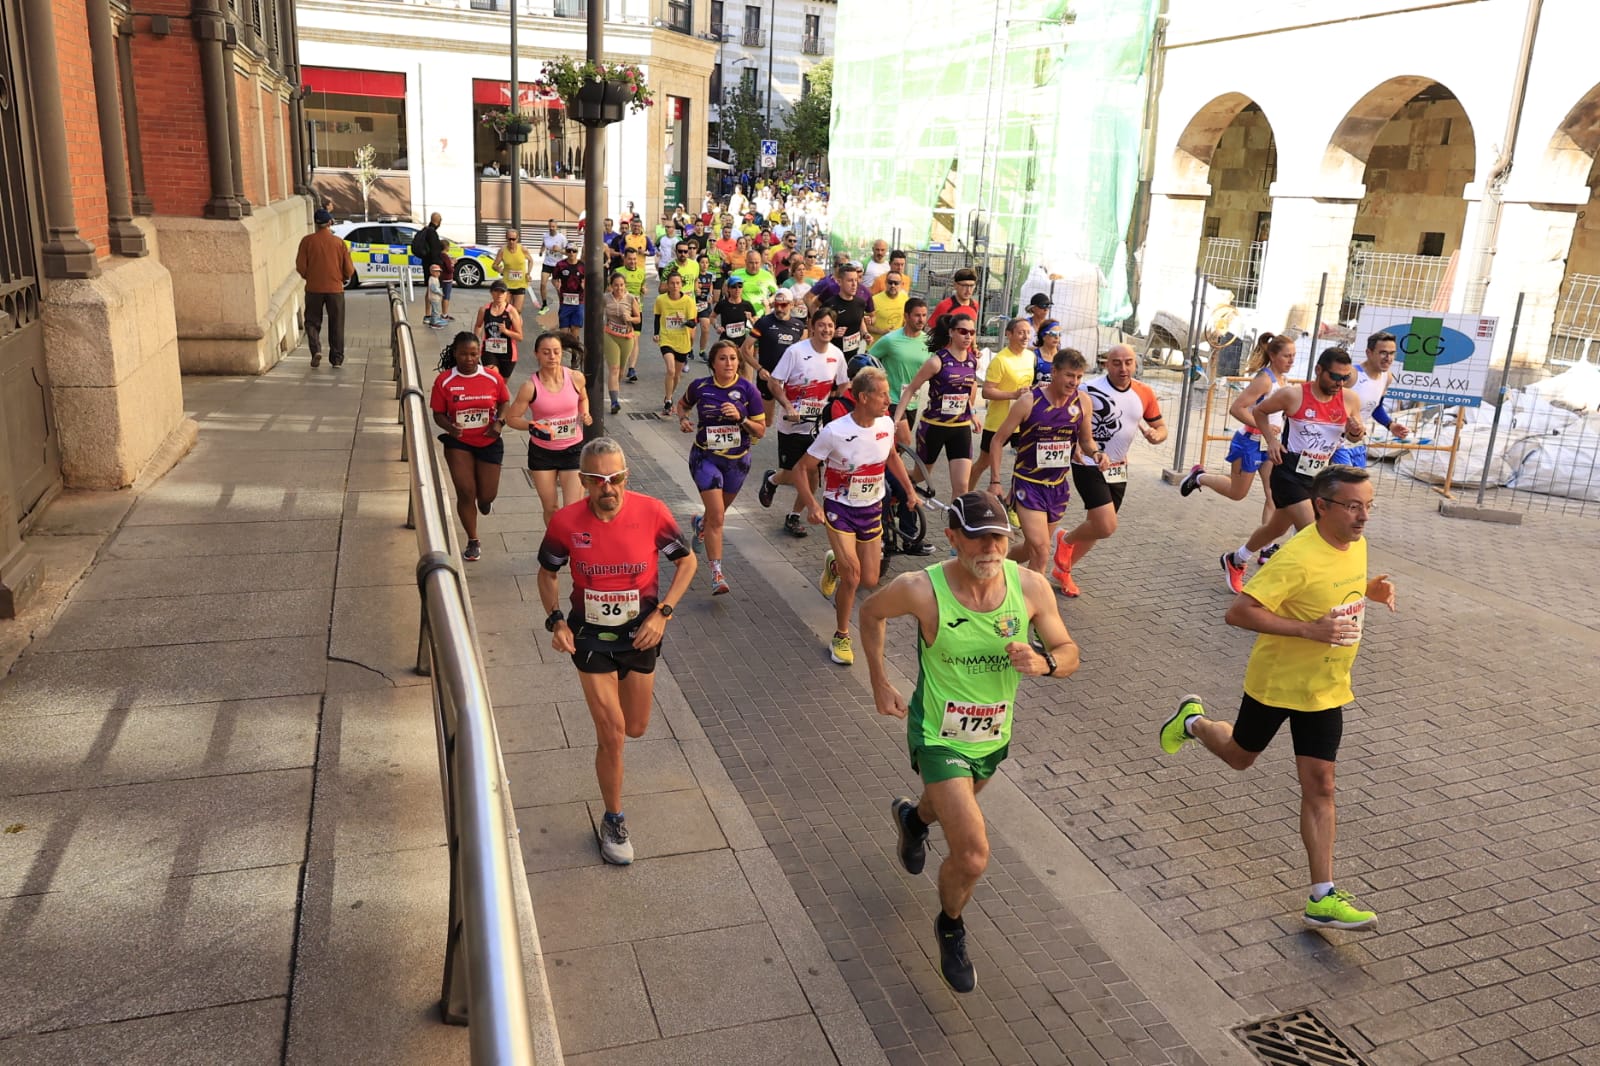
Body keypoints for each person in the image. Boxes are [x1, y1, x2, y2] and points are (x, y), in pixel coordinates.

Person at [1159, 465, 1397, 931]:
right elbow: (1239, 612)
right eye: (1353, 506)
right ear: (1322, 507)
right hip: (1277, 684)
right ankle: (1193, 721)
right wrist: (1310, 630)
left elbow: (1335, 588)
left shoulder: (1356, 544)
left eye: (1369, 505)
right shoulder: (1296, 557)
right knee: (1239, 757)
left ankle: (1322, 896)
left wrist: (1370, 589)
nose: (1363, 516)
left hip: (1326, 688)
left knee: (1322, 785)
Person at [861, 491, 1080, 992]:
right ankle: (950, 925)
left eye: (999, 537)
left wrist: (1046, 663)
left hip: (992, 735)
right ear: (952, 538)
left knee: (944, 809)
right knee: (974, 853)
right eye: (978, 538)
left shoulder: (1029, 588)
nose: (990, 549)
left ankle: (912, 821)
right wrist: (879, 680)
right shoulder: (920, 588)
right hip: (938, 733)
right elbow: (871, 613)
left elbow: (1069, 651)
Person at [537, 438, 697, 865]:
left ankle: (613, 787)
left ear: (627, 475)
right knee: (611, 734)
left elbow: (687, 562)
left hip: (640, 633)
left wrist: (662, 613)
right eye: (598, 480)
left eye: (617, 477)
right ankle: (613, 818)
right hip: (589, 635)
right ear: (585, 482)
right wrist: (555, 620)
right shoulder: (566, 522)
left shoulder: (652, 512)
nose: (609, 488)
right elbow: (547, 575)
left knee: (636, 728)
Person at [792, 366, 919, 665]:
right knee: (854, 576)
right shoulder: (835, 432)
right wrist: (812, 505)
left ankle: (833, 565)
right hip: (839, 510)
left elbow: (891, 458)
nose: (888, 400)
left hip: (872, 508)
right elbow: (801, 469)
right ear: (863, 397)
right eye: (883, 394)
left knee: (870, 578)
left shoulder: (886, 424)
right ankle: (841, 635)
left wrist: (909, 491)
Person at [1220, 347, 1365, 593]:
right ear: (1319, 370)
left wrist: (1355, 431)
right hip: (1288, 473)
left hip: (1319, 477)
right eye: (1334, 376)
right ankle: (1289, 591)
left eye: (1344, 378)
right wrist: (1272, 441)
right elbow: (1260, 411)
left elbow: (1353, 436)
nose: (1339, 383)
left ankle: (1236, 559)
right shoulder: (1294, 395)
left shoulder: (1349, 399)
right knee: (1313, 533)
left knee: (1275, 528)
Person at [1051, 345, 1168, 597]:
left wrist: (1155, 435)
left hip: (1118, 467)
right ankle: (1066, 540)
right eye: (1116, 362)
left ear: (1135, 364)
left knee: (1097, 527)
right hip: (1088, 463)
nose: (1123, 368)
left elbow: (1160, 427)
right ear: (1106, 364)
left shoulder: (1144, 392)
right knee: (1105, 525)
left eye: (1128, 362)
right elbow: (1062, 416)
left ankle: (1064, 570)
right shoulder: (1087, 388)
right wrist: (1071, 445)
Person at [983, 348, 1099, 575]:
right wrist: (995, 481)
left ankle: (991, 561)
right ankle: (1034, 607)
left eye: (1078, 377)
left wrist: (1095, 454)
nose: (1073, 382)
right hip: (1028, 485)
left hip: (1057, 488)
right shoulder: (1029, 401)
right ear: (1054, 372)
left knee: (1030, 550)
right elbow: (997, 441)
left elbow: (1086, 440)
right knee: (1042, 550)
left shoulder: (1083, 401)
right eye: (1069, 375)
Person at [1179, 333, 1296, 551]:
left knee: (1274, 495)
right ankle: (1200, 477)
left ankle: (1266, 546)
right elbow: (1237, 408)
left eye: (1294, 356)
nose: (1291, 360)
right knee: (1237, 493)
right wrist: (1264, 427)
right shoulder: (1264, 380)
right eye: (1287, 356)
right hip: (1249, 442)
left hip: (1270, 445)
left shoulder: (1284, 380)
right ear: (1272, 355)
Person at [677, 340, 766, 596]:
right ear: (713, 363)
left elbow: (761, 430)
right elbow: (682, 404)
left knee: (716, 514)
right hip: (705, 458)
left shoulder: (748, 391)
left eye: (733, 358)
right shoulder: (700, 387)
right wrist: (683, 419)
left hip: (738, 462)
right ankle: (717, 573)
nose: (729, 363)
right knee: (718, 517)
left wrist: (741, 418)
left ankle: (700, 524)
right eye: (723, 359)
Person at [756, 307, 848, 539]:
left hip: (818, 427)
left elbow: (844, 385)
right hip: (791, 426)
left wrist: (836, 410)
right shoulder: (796, 352)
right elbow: (774, 383)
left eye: (830, 325)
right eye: (821, 325)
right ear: (812, 326)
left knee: (813, 473)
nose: (826, 330)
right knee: (790, 473)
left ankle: (794, 515)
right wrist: (788, 407)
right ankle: (772, 479)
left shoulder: (837, 354)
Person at [430, 332, 510, 562]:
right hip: (459, 442)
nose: (469, 359)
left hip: (489, 440)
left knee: (486, 495)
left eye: (474, 354)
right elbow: (437, 414)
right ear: (455, 354)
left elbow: (504, 401)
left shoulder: (493, 378)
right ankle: (473, 539)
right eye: (463, 354)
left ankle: (485, 503)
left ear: (479, 354)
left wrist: (499, 422)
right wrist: (450, 427)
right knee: (466, 492)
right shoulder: (444, 380)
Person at [505, 332, 593, 528]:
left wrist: (584, 413)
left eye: (556, 352)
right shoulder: (530, 387)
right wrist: (532, 425)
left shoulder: (576, 378)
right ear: (537, 354)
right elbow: (511, 418)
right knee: (551, 508)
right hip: (543, 453)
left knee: (573, 508)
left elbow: (583, 398)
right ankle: (556, 546)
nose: (552, 357)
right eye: (546, 353)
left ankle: (573, 551)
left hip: (573, 449)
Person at [893, 314, 980, 503]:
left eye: (971, 332)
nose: (968, 336)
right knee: (919, 477)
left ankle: (956, 529)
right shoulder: (936, 362)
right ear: (951, 332)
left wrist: (972, 413)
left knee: (962, 487)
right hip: (934, 427)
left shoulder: (973, 361)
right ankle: (894, 482)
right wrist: (897, 419)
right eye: (963, 331)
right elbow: (910, 390)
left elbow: (964, 392)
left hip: (960, 427)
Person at [968, 317, 1037, 492]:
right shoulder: (1000, 360)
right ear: (1009, 334)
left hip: (1022, 422)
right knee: (984, 463)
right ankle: (963, 496)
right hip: (999, 422)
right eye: (1021, 332)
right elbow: (987, 391)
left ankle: (1015, 500)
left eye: (1028, 332)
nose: (1025, 337)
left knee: (1025, 463)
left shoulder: (1030, 356)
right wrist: (1013, 394)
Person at [1332, 332, 1411, 467]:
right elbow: (1326, 402)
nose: (1388, 358)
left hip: (1357, 442)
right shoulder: (1352, 375)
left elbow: (1375, 407)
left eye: (1392, 353)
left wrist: (1390, 425)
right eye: (1383, 353)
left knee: (1358, 485)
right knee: (1347, 485)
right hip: (1336, 442)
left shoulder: (1387, 377)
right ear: (1369, 353)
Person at [296, 207, 355, 367]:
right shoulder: (339, 243)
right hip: (335, 289)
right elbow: (349, 269)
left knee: (312, 321)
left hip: (314, 288)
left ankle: (316, 350)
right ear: (330, 223)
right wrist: (342, 278)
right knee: (336, 323)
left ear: (316, 224)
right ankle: (336, 358)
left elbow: (301, 266)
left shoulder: (307, 241)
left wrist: (311, 276)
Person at [874, 298, 930, 437]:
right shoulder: (890, 340)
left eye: (924, 315)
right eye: (917, 315)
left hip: (913, 402)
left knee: (897, 447)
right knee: (905, 440)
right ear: (906, 316)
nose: (921, 320)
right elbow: (868, 360)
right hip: (891, 400)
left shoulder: (928, 341)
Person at [750, 288, 806, 421]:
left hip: (790, 379)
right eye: (776, 305)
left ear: (792, 305)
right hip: (768, 377)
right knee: (767, 421)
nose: (779, 309)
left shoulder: (799, 325)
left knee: (792, 417)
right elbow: (745, 349)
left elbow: (804, 354)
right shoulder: (764, 323)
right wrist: (759, 369)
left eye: (784, 305)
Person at [653, 269, 698, 418]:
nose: (675, 286)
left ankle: (669, 396)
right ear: (667, 285)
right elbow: (657, 317)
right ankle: (669, 400)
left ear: (682, 285)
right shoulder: (661, 300)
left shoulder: (688, 302)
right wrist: (656, 333)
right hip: (666, 338)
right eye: (672, 283)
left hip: (682, 341)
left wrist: (685, 321)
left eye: (677, 283)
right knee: (671, 370)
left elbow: (693, 322)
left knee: (677, 374)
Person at [601, 271, 642, 415]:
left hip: (626, 337)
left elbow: (638, 319)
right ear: (611, 286)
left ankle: (615, 389)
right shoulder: (605, 298)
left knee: (621, 371)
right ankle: (614, 402)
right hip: (610, 335)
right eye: (616, 286)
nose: (619, 288)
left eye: (622, 285)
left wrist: (630, 319)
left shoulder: (631, 298)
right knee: (614, 368)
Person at [711, 276, 757, 388]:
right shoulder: (723, 304)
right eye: (734, 287)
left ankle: (747, 395)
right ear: (729, 289)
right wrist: (717, 326)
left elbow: (757, 322)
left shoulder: (747, 305)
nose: (737, 289)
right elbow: (712, 317)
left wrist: (751, 319)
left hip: (742, 343)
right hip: (726, 343)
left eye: (740, 286)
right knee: (727, 373)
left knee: (746, 373)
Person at [475, 279, 524, 382]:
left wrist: (506, 331)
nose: (499, 294)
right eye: (496, 291)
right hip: (489, 350)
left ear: (507, 294)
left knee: (502, 384)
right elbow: (478, 326)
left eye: (502, 292)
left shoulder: (511, 311)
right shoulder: (484, 310)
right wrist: (475, 342)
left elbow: (519, 337)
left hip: (508, 353)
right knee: (492, 377)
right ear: (491, 293)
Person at [616, 247, 649, 384]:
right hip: (621, 311)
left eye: (635, 259)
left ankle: (632, 368)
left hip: (637, 311)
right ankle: (619, 366)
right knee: (623, 340)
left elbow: (644, 287)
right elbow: (610, 290)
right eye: (630, 259)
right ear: (625, 259)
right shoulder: (618, 272)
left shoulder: (642, 273)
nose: (632, 261)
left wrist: (644, 290)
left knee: (635, 339)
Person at [727, 248, 780, 313]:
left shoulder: (767, 275)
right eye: (751, 263)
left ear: (760, 262)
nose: (754, 266)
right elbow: (726, 290)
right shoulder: (736, 274)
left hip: (760, 314)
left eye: (757, 263)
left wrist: (769, 300)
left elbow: (777, 292)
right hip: (740, 313)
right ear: (745, 262)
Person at [492, 229, 532, 314]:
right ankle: (507, 326)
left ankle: (517, 327)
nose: (511, 241)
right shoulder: (502, 250)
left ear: (517, 239)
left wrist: (528, 273)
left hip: (520, 284)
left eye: (513, 239)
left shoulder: (523, 249)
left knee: (517, 311)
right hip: (507, 285)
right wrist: (499, 269)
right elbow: (494, 265)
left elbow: (531, 261)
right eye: (509, 239)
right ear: (506, 238)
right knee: (506, 310)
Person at [867, 271, 909, 347]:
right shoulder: (874, 300)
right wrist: (882, 331)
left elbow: (906, 322)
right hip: (877, 346)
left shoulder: (905, 299)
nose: (893, 285)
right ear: (885, 283)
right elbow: (865, 325)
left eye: (896, 283)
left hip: (896, 346)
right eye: (890, 282)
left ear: (901, 284)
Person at [552, 244, 586, 330]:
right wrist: (557, 286)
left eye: (574, 251)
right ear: (566, 252)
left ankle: (575, 342)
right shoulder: (560, 265)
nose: (571, 253)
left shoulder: (582, 266)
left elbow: (587, 281)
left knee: (574, 330)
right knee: (564, 332)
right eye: (569, 250)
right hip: (565, 302)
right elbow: (554, 279)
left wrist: (584, 286)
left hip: (579, 302)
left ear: (577, 252)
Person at [538, 219, 569, 311]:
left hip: (557, 265)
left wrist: (559, 250)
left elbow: (568, 252)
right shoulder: (545, 236)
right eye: (550, 226)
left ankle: (563, 305)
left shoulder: (562, 238)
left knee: (558, 287)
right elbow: (543, 244)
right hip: (547, 263)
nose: (551, 228)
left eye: (553, 227)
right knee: (543, 284)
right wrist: (541, 251)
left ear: (556, 227)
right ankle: (544, 305)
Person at [425, 264, 447, 329]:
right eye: (436, 271)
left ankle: (433, 320)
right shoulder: (432, 279)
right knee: (435, 310)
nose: (438, 273)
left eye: (439, 271)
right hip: (434, 298)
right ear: (431, 272)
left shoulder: (435, 278)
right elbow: (433, 288)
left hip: (436, 298)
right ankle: (434, 322)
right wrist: (440, 292)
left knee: (436, 309)